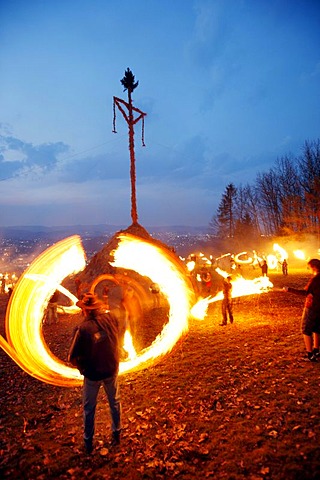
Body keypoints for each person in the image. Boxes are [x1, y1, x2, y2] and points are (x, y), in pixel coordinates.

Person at [68, 292, 121, 454]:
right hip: (111, 369)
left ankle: (88, 441)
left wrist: (82, 368)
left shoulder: (82, 329)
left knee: (89, 407)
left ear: (85, 310)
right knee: (115, 402)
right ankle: (117, 432)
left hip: (92, 374)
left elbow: (72, 356)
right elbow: (117, 333)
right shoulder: (110, 318)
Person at [283, 258, 320, 362]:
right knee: (317, 328)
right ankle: (316, 350)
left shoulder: (315, 279)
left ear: (313, 267)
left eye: (309, 268)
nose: (309, 270)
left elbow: (305, 293)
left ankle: (310, 354)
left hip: (312, 307)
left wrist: (289, 289)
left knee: (306, 330)